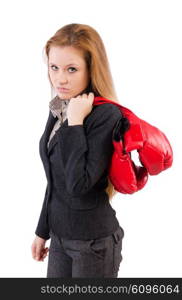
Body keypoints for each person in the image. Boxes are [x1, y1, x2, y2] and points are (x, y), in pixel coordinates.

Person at [31, 23, 125, 278]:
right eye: (54, 67)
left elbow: (78, 184)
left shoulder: (106, 115)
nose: (60, 79)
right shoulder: (62, 106)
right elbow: (55, 180)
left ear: (91, 69)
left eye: (72, 69)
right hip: (60, 238)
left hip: (93, 243)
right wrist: (43, 231)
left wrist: (75, 123)